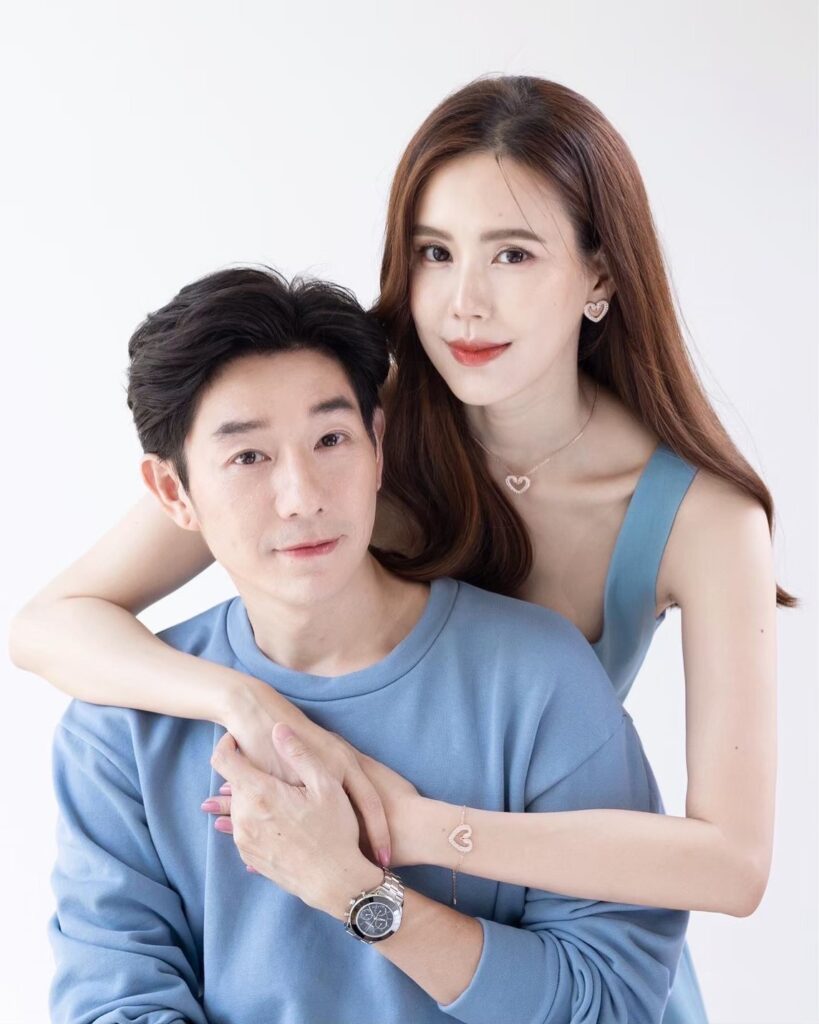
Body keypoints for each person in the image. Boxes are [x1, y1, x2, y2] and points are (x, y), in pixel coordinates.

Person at [10, 76, 784, 1023]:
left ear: (599, 276)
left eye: (511, 254)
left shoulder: (700, 519)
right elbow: (52, 624)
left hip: (546, 945)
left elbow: (733, 864)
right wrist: (249, 706)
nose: (463, 303)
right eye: (433, 252)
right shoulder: (333, 425)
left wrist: (405, 831)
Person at [48, 267, 687, 1023]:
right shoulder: (120, 731)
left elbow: (612, 1001)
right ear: (172, 492)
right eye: (248, 457)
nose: (302, 496)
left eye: (330, 439)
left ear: (377, 446)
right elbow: (115, 1004)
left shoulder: (538, 678)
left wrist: (356, 895)